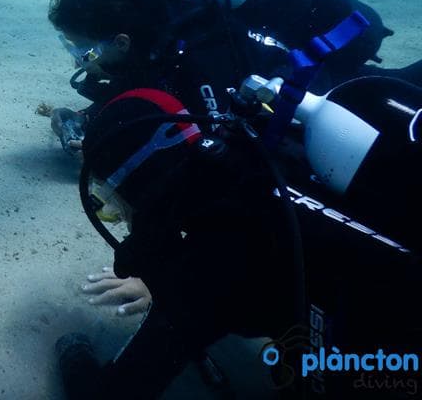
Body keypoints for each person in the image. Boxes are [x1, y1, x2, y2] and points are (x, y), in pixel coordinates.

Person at [55, 80, 422, 399]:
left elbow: (113, 393)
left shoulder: (208, 264)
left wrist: (73, 354)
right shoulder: (276, 155)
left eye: (110, 203)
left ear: (134, 184)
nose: (118, 217)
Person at [48, 0, 422, 155]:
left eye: (82, 49)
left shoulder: (191, 61)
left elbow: (223, 148)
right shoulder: (158, 42)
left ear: (123, 41)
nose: (79, 60)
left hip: (330, 94)